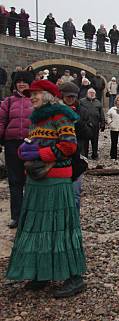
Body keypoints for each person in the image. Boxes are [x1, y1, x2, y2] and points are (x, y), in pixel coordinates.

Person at [6, 79, 86, 298]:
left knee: (61, 226)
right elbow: (33, 142)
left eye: (37, 93)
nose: (32, 97)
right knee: (38, 225)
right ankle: (41, 272)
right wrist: (25, 150)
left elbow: (69, 146)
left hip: (56, 180)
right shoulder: (37, 120)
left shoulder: (62, 116)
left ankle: (74, 276)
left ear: (49, 95)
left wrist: (40, 155)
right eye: (31, 94)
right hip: (36, 179)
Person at [0, 71, 33, 228]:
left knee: (30, 180)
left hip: (30, 144)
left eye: (24, 81)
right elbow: (1, 121)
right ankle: (16, 216)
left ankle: (30, 215)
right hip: (12, 143)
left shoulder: (35, 100)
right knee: (14, 181)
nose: (21, 84)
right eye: (19, 81)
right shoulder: (8, 101)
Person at [58, 81, 88, 210]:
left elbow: (88, 133)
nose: (70, 99)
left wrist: (78, 122)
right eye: (68, 96)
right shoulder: (55, 111)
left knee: (75, 195)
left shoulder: (81, 110)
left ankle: (74, 222)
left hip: (76, 156)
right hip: (59, 156)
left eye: (73, 97)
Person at [78, 88, 104, 159]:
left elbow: (101, 113)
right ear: (87, 93)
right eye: (90, 93)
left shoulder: (98, 102)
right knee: (85, 141)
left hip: (95, 125)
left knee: (95, 141)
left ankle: (94, 155)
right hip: (85, 124)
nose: (92, 94)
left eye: (93, 93)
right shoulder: (82, 101)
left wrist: (102, 123)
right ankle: (85, 155)